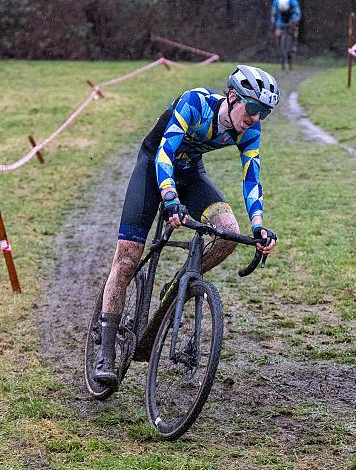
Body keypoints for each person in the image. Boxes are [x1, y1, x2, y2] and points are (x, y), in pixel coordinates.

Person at [94, 65, 280, 388]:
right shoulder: (196, 102)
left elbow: (252, 178)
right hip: (154, 167)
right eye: (252, 109)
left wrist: (259, 225)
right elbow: (165, 152)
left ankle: (178, 286)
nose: (256, 119)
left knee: (227, 231)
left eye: (264, 113)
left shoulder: (250, 130)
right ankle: (106, 352)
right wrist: (169, 199)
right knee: (127, 260)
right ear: (233, 97)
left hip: (190, 174)